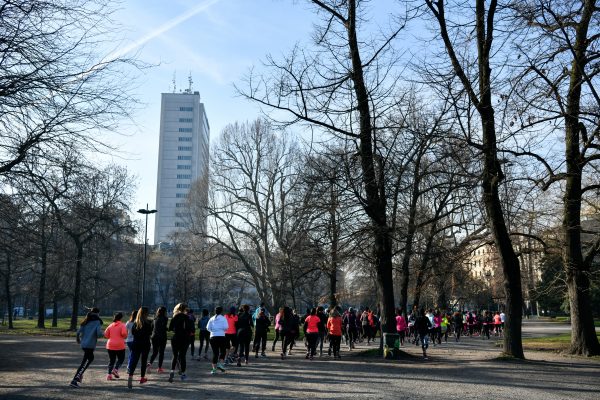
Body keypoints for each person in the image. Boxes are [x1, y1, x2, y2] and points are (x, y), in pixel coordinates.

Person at [70, 308, 103, 388]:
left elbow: (78, 332)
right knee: (86, 361)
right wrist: (104, 333)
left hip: (84, 344)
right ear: (97, 313)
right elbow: (99, 334)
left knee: (89, 359)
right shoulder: (97, 322)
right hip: (90, 345)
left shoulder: (86, 320)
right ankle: (75, 379)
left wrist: (78, 339)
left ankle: (79, 375)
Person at [127, 306, 152, 389]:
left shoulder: (135, 323)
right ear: (146, 313)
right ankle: (142, 378)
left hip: (136, 343)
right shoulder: (149, 322)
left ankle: (130, 377)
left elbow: (133, 333)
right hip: (145, 343)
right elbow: (150, 333)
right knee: (143, 361)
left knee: (134, 360)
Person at [168, 303, 193, 383]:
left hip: (175, 338)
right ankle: (183, 374)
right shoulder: (187, 318)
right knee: (182, 356)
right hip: (185, 338)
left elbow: (170, 329)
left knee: (175, 356)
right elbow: (191, 330)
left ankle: (172, 371)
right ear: (185, 309)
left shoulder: (175, 317)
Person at [104, 312, 127, 380]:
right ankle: (115, 369)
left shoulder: (110, 325)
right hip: (119, 345)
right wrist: (124, 336)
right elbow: (124, 334)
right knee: (121, 358)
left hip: (110, 345)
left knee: (111, 360)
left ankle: (109, 375)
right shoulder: (122, 325)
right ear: (121, 318)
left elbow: (106, 334)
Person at [207, 306, 228, 374]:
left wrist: (213, 331)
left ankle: (214, 369)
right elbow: (226, 327)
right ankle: (220, 364)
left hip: (213, 337)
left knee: (215, 353)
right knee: (223, 351)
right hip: (221, 336)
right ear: (221, 311)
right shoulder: (223, 318)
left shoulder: (211, 318)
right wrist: (221, 330)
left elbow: (208, 328)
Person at [147, 306, 168, 373]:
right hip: (162, 337)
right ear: (164, 312)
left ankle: (149, 364)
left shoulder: (155, 318)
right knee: (161, 352)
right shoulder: (165, 318)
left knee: (155, 352)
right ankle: (159, 368)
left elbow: (152, 328)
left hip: (154, 337)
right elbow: (164, 327)